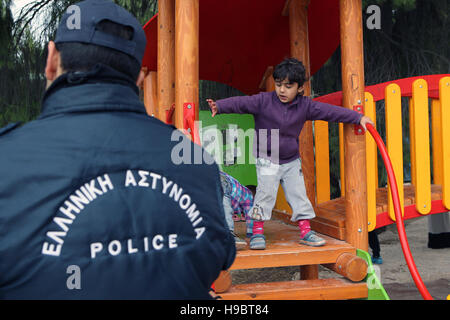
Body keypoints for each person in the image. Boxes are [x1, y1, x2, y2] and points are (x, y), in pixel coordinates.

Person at [0, 0, 235, 299]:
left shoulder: (7, 161)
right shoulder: (196, 161)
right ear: (138, 78)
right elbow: (219, 257)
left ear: (51, 60)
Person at [207, 57, 374, 250]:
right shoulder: (263, 101)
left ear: (300, 88)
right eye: (278, 85)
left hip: (291, 160)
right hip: (267, 159)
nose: (282, 90)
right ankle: (257, 233)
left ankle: (305, 232)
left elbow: (329, 112)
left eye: (288, 86)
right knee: (265, 194)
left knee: (298, 194)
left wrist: (357, 117)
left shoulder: (305, 106)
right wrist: (219, 106)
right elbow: (242, 103)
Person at [220, 171, 256, 250]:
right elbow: (250, 217)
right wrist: (250, 235)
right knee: (225, 206)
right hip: (223, 181)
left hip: (216, 176)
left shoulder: (239, 192)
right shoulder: (249, 196)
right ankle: (229, 234)